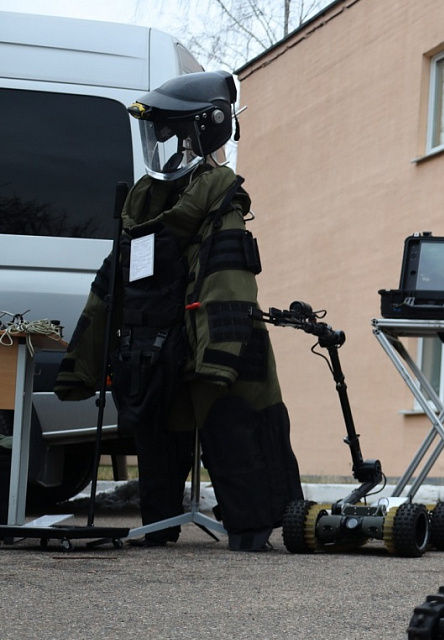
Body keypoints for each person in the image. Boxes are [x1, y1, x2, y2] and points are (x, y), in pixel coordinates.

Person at [54, 70, 302, 551]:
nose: (163, 141)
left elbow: (221, 283)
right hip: (187, 350)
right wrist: (220, 358)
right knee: (220, 430)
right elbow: (115, 288)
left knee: (222, 428)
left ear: (202, 129)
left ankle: (182, 524)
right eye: (159, 131)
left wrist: (79, 366)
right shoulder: (154, 202)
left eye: (171, 129)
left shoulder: (159, 205)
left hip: (173, 350)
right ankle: (234, 527)